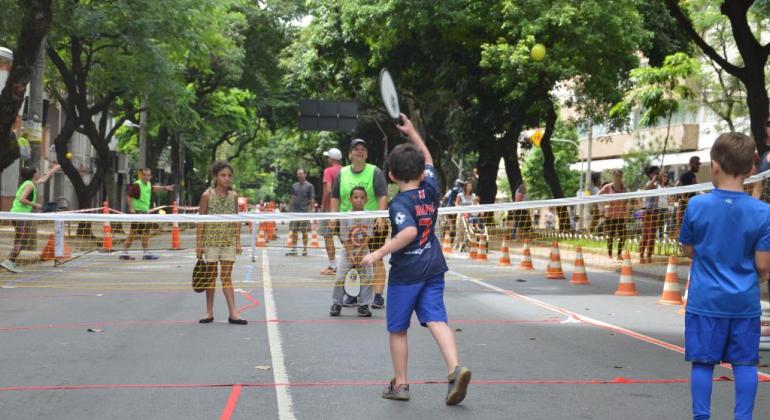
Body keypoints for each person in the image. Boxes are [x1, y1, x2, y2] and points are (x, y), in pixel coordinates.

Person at [362, 113, 470, 405]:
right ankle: (454, 368)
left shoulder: (399, 203)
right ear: (421, 172)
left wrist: (379, 252)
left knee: (397, 329)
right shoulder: (430, 188)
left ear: (392, 176)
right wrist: (412, 133)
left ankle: (401, 385)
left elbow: (408, 231)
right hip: (433, 266)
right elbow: (429, 159)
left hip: (406, 273)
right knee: (436, 318)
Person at [679, 132, 770, 420]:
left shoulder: (696, 205)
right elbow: (763, 264)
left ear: (714, 166)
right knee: (744, 364)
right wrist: (760, 277)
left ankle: (701, 417)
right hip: (744, 304)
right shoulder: (763, 212)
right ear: (751, 170)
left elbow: (688, 249)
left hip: (705, 301)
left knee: (703, 364)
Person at [330, 138, 388, 309]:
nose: (360, 152)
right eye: (356, 149)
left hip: (372, 223)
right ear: (350, 154)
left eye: (363, 149)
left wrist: (381, 216)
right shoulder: (343, 173)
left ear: (366, 154)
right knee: (351, 259)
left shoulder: (374, 171)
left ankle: (377, 295)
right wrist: (333, 216)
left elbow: (382, 195)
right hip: (348, 224)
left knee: (375, 258)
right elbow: (335, 196)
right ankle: (353, 294)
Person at [196, 161, 246, 325]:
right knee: (211, 277)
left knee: (226, 277)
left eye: (229, 176)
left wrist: (237, 241)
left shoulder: (234, 196)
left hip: (228, 241)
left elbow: (237, 220)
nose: (226, 179)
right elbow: (200, 221)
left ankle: (233, 313)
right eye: (223, 175)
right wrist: (199, 244)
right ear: (215, 177)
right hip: (210, 241)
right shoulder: (207, 195)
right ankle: (209, 312)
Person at [0, 163, 61, 273]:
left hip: (20, 214)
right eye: (37, 171)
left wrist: (53, 170)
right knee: (22, 237)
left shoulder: (31, 183)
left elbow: (43, 179)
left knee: (23, 237)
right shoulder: (29, 185)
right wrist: (37, 205)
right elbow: (22, 199)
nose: (39, 173)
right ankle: (10, 260)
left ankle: (11, 261)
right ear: (34, 174)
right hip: (20, 215)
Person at [329, 186, 374, 317]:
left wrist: (360, 253)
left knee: (368, 276)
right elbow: (344, 238)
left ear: (366, 199)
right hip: (347, 250)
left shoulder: (370, 216)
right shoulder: (345, 216)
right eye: (356, 197)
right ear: (350, 199)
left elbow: (368, 236)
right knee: (340, 277)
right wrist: (351, 255)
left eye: (362, 198)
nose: (359, 200)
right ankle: (336, 304)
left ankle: (364, 305)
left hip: (364, 250)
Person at [120, 168, 174, 261]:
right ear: (142, 175)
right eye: (144, 175)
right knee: (139, 233)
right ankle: (143, 253)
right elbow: (128, 196)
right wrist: (131, 208)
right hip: (138, 213)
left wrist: (165, 188)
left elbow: (154, 188)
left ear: (150, 176)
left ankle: (128, 252)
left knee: (140, 233)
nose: (146, 177)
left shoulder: (148, 184)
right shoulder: (137, 185)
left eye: (148, 175)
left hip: (145, 213)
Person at [319, 148, 343, 275]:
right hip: (344, 210)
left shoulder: (328, 171)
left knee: (328, 237)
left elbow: (328, 190)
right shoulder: (346, 170)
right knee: (346, 238)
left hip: (330, 210)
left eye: (328, 157)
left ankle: (333, 266)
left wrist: (324, 207)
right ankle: (351, 264)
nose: (327, 159)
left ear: (331, 159)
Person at [598, 169, 628, 261]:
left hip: (621, 216)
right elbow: (598, 195)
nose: (618, 177)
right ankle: (610, 255)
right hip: (610, 215)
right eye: (616, 175)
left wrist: (625, 208)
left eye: (619, 175)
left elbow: (627, 200)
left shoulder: (624, 188)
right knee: (611, 235)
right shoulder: (608, 187)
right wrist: (605, 205)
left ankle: (619, 254)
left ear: (621, 177)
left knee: (622, 235)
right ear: (613, 176)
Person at [286, 168, 315, 257]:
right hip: (295, 212)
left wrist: (311, 212)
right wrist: (289, 209)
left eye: (301, 173)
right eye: (298, 173)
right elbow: (292, 198)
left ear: (305, 175)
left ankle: (305, 248)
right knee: (294, 231)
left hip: (304, 212)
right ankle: (294, 248)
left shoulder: (310, 186)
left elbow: (312, 199)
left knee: (304, 231)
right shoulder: (294, 186)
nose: (299, 175)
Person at [640, 165, 664, 264]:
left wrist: (659, 179)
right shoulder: (649, 183)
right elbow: (647, 187)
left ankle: (649, 255)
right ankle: (641, 255)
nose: (658, 175)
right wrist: (654, 178)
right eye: (656, 173)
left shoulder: (657, 185)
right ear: (650, 174)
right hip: (647, 212)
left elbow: (660, 186)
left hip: (655, 212)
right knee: (646, 235)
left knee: (652, 235)